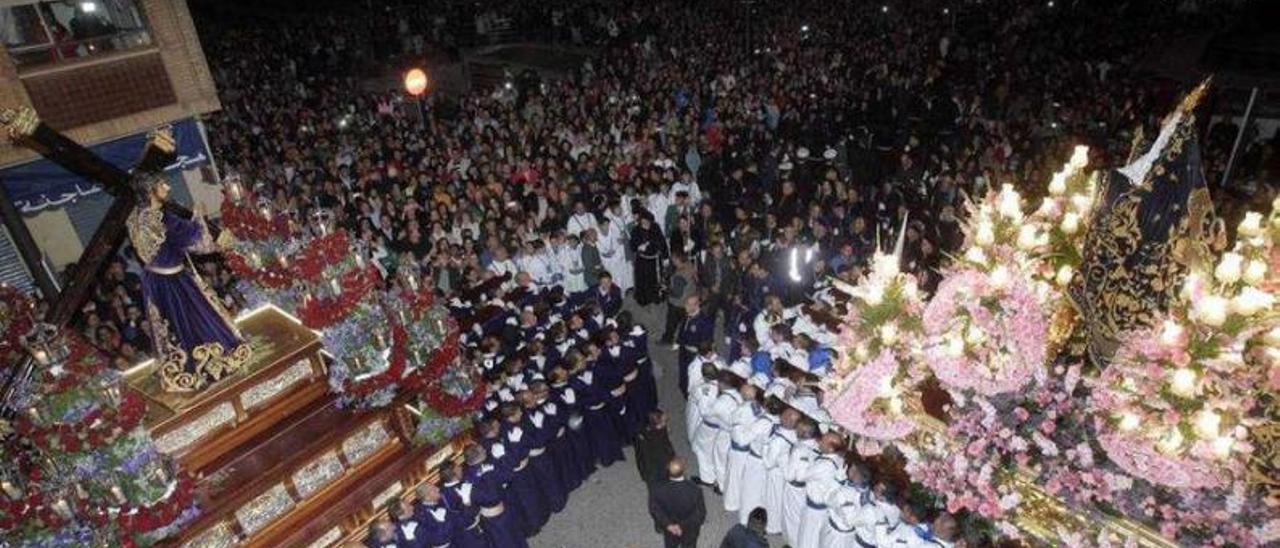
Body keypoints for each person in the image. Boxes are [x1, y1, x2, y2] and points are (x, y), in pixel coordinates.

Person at [125, 176, 251, 392]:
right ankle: (206, 364)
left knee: (172, 326)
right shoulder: (164, 220)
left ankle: (180, 365)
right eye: (161, 184)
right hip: (174, 282)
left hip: (154, 281)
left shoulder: (135, 217)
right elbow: (199, 243)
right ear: (150, 191)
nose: (167, 186)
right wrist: (198, 215)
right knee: (195, 319)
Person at [648, 457, 707, 548]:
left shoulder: (657, 490)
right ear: (683, 471)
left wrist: (669, 525)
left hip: (670, 528)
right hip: (689, 528)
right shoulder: (695, 490)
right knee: (689, 544)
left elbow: (655, 509)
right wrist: (682, 526)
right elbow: (700, 514)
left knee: (671, 544)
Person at [630, 211, 668, 306]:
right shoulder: (636, 230)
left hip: (655, 261)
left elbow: (662, 241)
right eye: (643, 222)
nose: (646, 224)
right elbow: (632, 245)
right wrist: (638, 247)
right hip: (642, 261)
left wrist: (665, 256)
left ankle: (656, 299)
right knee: (643, 281)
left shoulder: (656, 227)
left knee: (655, 281)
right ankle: (644, 300)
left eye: (648, 222)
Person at [635, 410, 676, 484]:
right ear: (658, 425)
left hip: (647, 462)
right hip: (655, 468)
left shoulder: (644, 431)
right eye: (664, 421)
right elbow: (664, 456)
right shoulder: (657, 441)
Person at [412, 483, 454, 548]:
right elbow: (436, 538)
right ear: (427, 497)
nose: (438, 489)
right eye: (434, 489)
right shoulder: (422, 515)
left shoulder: (440, 502)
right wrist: (441, 522)